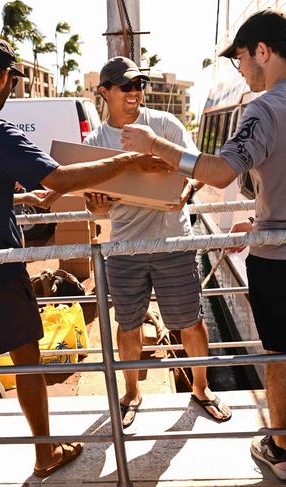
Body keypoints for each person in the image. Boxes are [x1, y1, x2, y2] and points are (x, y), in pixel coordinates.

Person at [121, 8, 286, 480]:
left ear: (262, 51)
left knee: (281, 355)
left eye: (240, 57)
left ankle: (281, 452)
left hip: (279, 260)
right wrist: (263, 221)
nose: (239, 68)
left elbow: (221, 171)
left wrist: (154, 145)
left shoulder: (263, 108)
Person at [0, 35, 167, 477]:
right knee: (28, 363)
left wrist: (20, 199)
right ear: (4, 78)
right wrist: (126, 162)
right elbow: (60, 176)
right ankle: (45, 455)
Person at [83, 56, 230, 428]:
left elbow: (198, 169)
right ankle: (131, 392)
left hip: (173, 243)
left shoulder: (165, 124)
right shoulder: (94, 141)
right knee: (128, 325)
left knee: (190, 323)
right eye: (126, 86)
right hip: (124, 248)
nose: (136, 92)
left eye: (139, 85)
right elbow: (93, 204)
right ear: (104, 92)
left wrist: (187, 190)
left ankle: (201, 388)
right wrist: (95, 204)